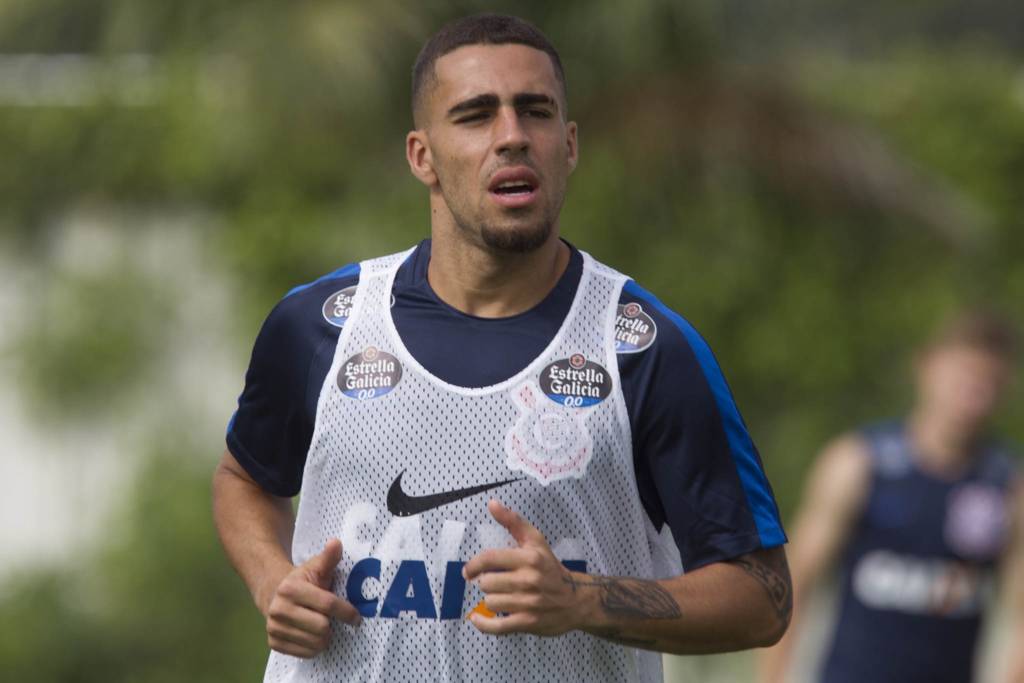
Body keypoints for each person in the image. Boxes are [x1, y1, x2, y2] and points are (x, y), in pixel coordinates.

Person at [213, 14, 790, 683]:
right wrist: (271, 580)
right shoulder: (321, 326)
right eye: (476, 115)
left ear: (569, 146)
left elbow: (763, 595)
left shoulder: (643, 347)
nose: (512, 137)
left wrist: (582, 600)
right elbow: (243, 479)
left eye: (535, 112)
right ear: (421, 156)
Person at [760, 311, 1024, 683]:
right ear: (927, 367)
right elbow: (791, 583)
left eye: (988, 382)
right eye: (963, 376)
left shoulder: (1008, 486)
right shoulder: (860, 463)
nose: (974, 395)